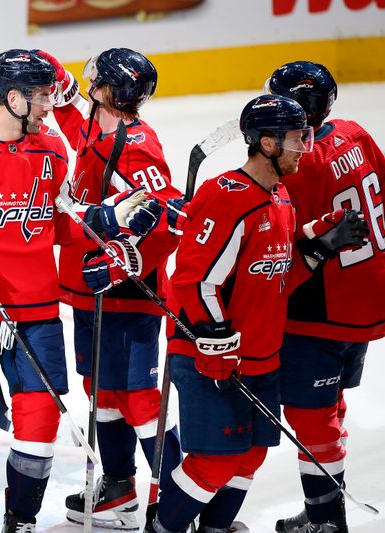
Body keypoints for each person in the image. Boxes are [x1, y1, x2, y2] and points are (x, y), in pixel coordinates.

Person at [0, 48, 159, 533]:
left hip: (34, 307)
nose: (48, 105)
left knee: (40, 419)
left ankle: (21, 521)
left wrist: (110, 218)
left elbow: (59, 221)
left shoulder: (52, 150)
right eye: (40, 96)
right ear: (13, 98)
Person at [145, 94, 369, 533]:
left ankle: (212, 528)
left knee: (251, 454)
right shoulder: (227, 197)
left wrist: (321, 245)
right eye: (295, 139)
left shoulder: (281, 198)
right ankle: (162, 529)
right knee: (215, 460)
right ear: (266, 144)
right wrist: (216, 340)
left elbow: (278, 278)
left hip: (262, 355)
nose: (304, 146)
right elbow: (195, 280)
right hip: (210, 356)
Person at [45, 47, 183, 531]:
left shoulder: (137, 147)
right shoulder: (93, 125)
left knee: (140, 396)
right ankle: (120, 486)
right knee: (98, 389)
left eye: (93, 78)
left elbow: (167, 219)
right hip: (89, 290)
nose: (85, 83)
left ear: (107, 91)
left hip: (130, 294)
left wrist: (130, 258)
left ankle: (174, 498)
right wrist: (43, 67)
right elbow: (64, 109)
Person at [266, 61, 385, 533]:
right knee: (331, 402)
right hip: (368, 297)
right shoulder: (355, 133)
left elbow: (277, 240)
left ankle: (325, 519)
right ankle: (324, 507)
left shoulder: (301, 164)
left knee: (311, 414)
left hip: (321, 306)